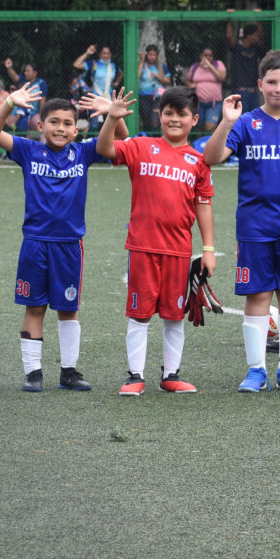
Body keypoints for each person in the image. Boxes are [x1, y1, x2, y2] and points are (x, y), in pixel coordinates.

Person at [0, 85, 124, 393]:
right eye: (54, 122)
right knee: (34, 308)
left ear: (76, 130)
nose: (60, 128)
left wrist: (113, 115)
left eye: (67, 123)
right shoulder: (27, 150)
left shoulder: (85, 152)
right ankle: (33, 372)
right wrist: (9, 103)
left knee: (68, 308)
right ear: (40, 125)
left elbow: (122, 142)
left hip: (69, 246)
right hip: (35, 243)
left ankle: (69, 371)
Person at [202, 49, 280, 393]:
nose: (278, 88)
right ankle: (256, 369)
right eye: (271, 82)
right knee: (257, 296)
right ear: (260, 85)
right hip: (255, 228)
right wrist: (226, 121)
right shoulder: (245, 123)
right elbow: (211, 158)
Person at [95, 86, 216, 396]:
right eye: (168, 113)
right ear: (159, 115)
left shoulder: (199, 161)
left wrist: (208, 249)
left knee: (175, 316)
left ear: (195, 119)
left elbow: (204, 205)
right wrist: (112, 118)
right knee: (139, 313)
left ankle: (171, 374)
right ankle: (135, 375)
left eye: (182, 114)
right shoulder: (141, 146)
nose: (174, 119)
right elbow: (105, 148)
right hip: (142, 247)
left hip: (178, 251)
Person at [73, 45, 122, 130]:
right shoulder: (94, 63)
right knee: (95, 123)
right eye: (103, 53)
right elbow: (76, 64)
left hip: (109, 97)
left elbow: (121, 73)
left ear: (110, 55)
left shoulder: (113, 66)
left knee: (109, 123)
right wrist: (87, 53)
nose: (106, 55)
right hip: (95, 96)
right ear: (100, 55)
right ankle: (92, 142)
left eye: (108, 53)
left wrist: (116, 83)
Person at [227, 16, 266, 113]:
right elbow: (228, 36)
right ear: (249, 35)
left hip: (253, 91)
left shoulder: (255, 49)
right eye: (255, 35)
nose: (258, 38)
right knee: (242, 118)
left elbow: (261, 35)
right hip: (241, 91)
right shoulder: (237, 48)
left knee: (255, 118)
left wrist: (258, 17)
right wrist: (229, 18)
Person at [184, 47, 227, 132]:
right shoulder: (195, 67)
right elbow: (188, 81)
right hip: (198, 102)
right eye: (205, 55)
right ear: (201, 56)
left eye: (210, 56)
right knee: (198, 126)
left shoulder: (218, 64)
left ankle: (210, 144)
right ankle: (199, 144)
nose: (208, 57)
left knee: (209, 127)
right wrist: (190, 84)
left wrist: (210, 66)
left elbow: (221, 77)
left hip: (214, 102)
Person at [3, 60, 49, 133]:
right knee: (4, 122)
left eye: (28, 71)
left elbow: (42, 101)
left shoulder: (41, 83)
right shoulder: (23, 79)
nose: (25, 73)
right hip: (19, 112)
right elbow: (15, 77)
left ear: (35, 73)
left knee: (42, 127)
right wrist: (9, 67)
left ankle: (44, 144)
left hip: (34, 113)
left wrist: (41, 116)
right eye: (25, 71)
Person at [138, 45, 172, 131]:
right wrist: (142, 60)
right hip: (144, 96)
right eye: (150, 54)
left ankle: (156, 139)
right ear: (146, 55)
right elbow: (137, 75)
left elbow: (168, 81)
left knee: (155, 121)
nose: (152, 57)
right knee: (145, 120)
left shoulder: (161, 65)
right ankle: (147, 140)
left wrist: (158, 77)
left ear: (157, 56)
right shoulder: (142, 65)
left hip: (157, 97)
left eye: (154, 55)